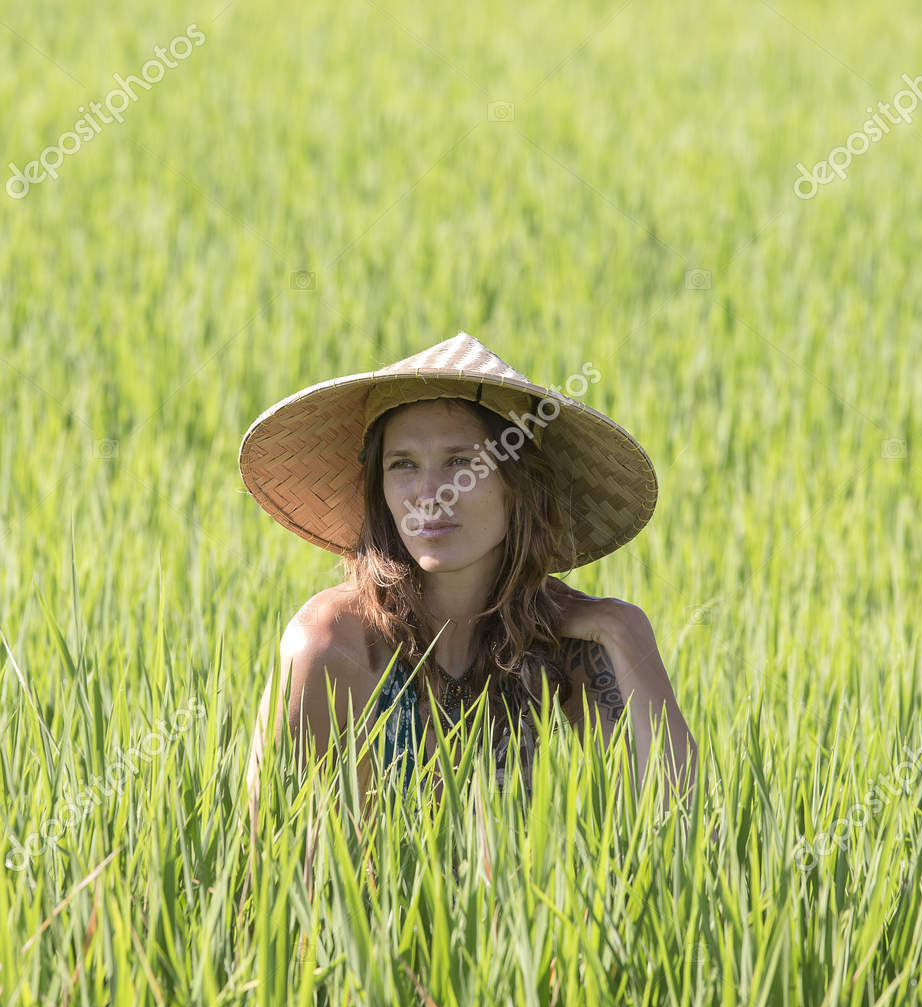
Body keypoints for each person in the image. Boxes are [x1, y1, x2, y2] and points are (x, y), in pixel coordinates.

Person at [239, 332, 697, 832]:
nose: (430, 493)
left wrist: (624, 629)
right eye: (403, 464)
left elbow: (682, 830)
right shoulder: (331, 649)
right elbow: (266, 856)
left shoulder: (562, 646)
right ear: (379, 489)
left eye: (462, 462)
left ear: (519, 484)